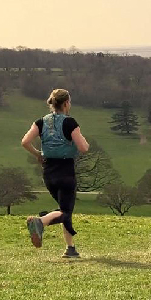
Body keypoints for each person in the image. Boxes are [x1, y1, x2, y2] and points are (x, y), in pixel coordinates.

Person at [20, 88, 90, 258]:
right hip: (66, 171)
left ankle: (70, 248)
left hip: (48, 172)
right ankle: (40, 222)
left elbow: (25, 142)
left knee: (64, 209)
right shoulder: (69, 123)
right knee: (65, 210)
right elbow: (83, 148)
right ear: (66, 103)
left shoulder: (41, 122)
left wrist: (38, 154)